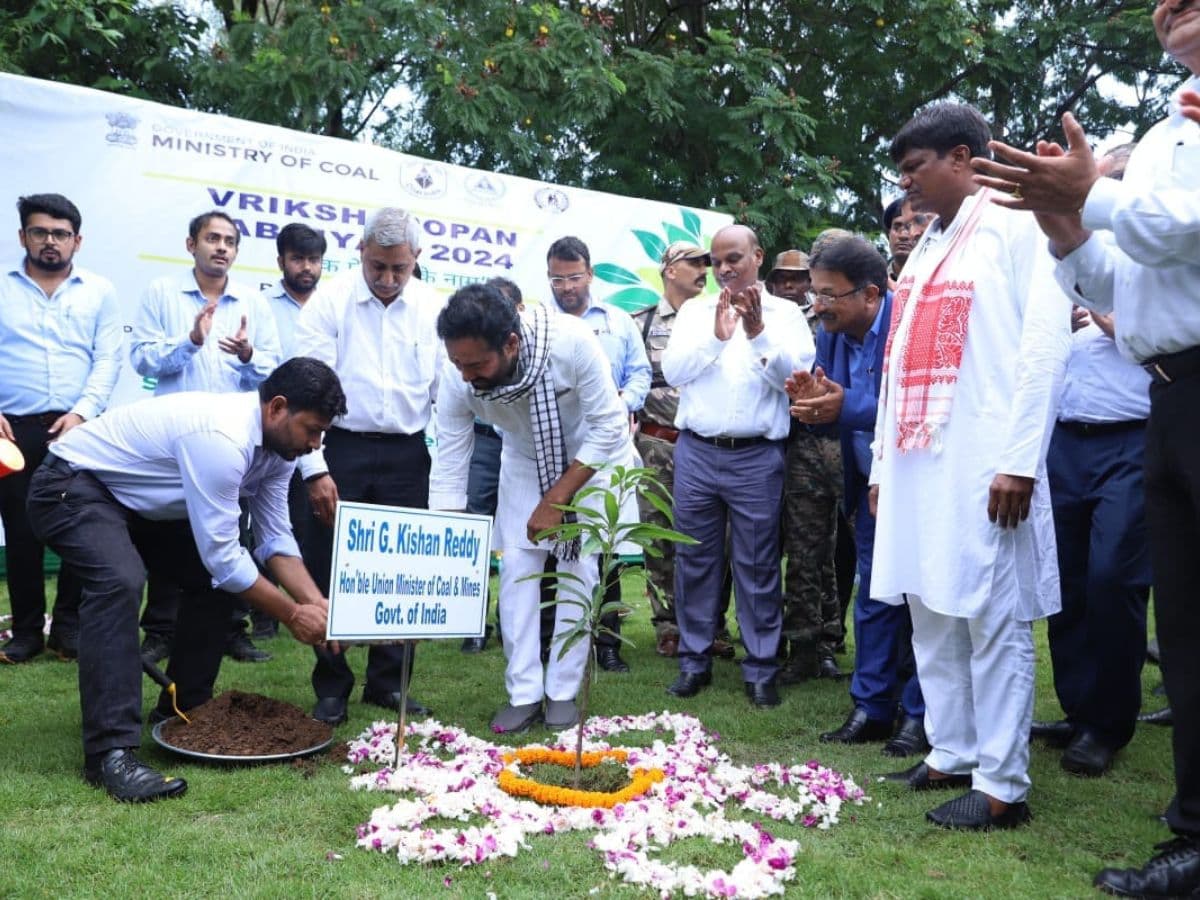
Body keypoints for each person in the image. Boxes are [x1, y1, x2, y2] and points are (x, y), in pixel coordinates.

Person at [971, 4, 1200, 883]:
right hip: (1171, 398)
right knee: (1183, 632)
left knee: (1127, 587)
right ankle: (1193, 833)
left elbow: (1180, 226)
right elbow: (1124, 277)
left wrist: (1090, 196)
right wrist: (1066, 227)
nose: (1170, 6)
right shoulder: (1158, 134)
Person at [872, 102, 1071, 830]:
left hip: (988, 459)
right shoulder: (927, 245)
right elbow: (896, 364)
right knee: (930, 607)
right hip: (921, 461)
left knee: (992, 615)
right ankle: (949, 750)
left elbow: (1047, 345)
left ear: (961, 157)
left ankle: (1002, 784)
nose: (909, 187)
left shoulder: (1021, 223)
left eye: (915, 170)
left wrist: (1020, 459)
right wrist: (879, 466)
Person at [26, 357, 345, 802]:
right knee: (120, 580)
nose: (315, 445)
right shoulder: (222, 438)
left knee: (215, 583)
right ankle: (109, 754)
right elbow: (225, 559)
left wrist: (318, 604)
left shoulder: (280, 449)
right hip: (70, 485)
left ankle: (186, 713)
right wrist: (293, 616)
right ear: (276, 407)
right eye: (311, 430)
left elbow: (274, 538)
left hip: (138, 503)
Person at [429, 283, 637, 733]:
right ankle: (523, 693)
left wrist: (557, 499)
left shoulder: (573, 343)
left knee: (579, 572)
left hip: (591, 460)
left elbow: (609, 426)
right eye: (458, 363)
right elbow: (451, 455)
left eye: (477, 364)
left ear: (511, 343)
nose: (467, 375)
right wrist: (444, 530)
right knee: (519, 571)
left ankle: (562, 691)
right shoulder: (458, 376)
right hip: (523, 461)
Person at [1024, 147, 1153, 779]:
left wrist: (1108, 322)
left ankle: (1109, 723)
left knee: (1112, 580)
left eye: (1117, 180)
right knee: (1065, 579)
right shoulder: (1067, 252)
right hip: (1064, 440)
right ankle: (1078, 711)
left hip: (1132, 438)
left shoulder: (1157, 253)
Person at [293, 207, 443, 726]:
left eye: (399, 269)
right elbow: (307, 390)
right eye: (377, 266)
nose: (387, 279)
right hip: (339, 448)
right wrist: (314, 467)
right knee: (329, 563)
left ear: (417, 260)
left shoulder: (432, 307)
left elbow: (449, 395)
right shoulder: (329, 301)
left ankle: (389, 684)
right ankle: (332, 684)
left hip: (408, 453)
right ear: (360, 252)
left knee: (403, 568)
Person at [662, 224, 815, 708]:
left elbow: (797, 381)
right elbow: (672, 372)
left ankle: (761, 667)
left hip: (756, 456)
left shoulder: (787, 314)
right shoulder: (695, 311)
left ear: (757, 256)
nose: (724, 269)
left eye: (734, 258)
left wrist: (757, 333)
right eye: (717, 260)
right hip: (697, 451)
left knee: (757, 562)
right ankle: (694, 661)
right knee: (695, 559)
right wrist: (714, 338)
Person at [788, 234, 926, 757]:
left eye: (829, 294)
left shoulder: (909, 322)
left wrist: (840, 407)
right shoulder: (833, 333)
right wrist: (810, 403)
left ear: (870, 295)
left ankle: (919, 713)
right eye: (814, 293)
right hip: (867, 489)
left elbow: (906, 401)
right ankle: (871, 707)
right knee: (873, 595)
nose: (817, 305)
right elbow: (836, 409)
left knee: (917, 601)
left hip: (912, 482)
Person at [130, 210, 282, 665]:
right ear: (190, 244)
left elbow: (275, 373)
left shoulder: (252, 302)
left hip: (229, 443)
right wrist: (191, 342)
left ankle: (231, 630)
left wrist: (250, 355)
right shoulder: (162, 293)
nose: (221, 247)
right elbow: (141, 360)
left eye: (229, 241)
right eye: (212, 238)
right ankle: (160, 631)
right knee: (169, 531)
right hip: (173, 440)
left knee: (229, 533)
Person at [0, 193, 122, 664]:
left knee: (82, 525)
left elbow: (108, 357)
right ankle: (27, 631)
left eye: (60, 233)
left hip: (79, 428)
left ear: (77, 240)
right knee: (22, 530)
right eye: (40, 232)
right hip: (14, 433)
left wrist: (84, 412)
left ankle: (68, 628)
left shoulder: (100, 291)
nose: (50, 242)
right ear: (22, 236)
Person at [545, 236, 650, 673]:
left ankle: (607, 643)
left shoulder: (617, 321)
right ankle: (551, 640)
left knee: (606, 543)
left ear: (590, 274)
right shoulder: (541, 322)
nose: (566, 286)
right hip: (553, 450)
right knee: (553, 544)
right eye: (557, 278)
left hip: (606, 451)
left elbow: (641, 372)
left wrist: (622, 403)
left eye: (573, 277)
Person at [632, 240, 737, 660]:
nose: (704, 271)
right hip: (658, 443)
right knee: (659, 536)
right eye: (694, 263)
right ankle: (669, 625)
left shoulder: (719, 315)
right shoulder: (640, 323)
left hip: (706, 445)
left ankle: (711, 623)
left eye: (705, 264)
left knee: (713, 540)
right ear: (669, 270)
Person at [770, 245, 846, 684]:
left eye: (802, 279)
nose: (794, 286)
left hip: (840, 441)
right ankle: (801, 645)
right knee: (802, 549)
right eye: (785, 278)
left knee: (829, 553)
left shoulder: (833, 318)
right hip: (795, 441)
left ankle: (829, 642)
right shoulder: (774, 320)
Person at [255, 222, 328, 640]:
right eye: (298, 258)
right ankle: (265, 613)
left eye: (314, 259)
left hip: (312, 436)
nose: (306, 267)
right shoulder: (263, 306)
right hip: (275, 428)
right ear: (281, 260)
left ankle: (310, 603)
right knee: (262, 521)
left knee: (298, 521)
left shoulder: (330, 307)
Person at [461, 276, 524, 655]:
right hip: (485, 442)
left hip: (526, 449)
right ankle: (473, 621)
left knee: (519, 539)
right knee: (476, 531)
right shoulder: (468, 367)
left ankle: (510, 620)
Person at [882, 196, 934, 286]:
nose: (903, 236)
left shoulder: (941, 277)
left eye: (910, 227)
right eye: (897, 227)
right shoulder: (874, 280)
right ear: (888, 234)